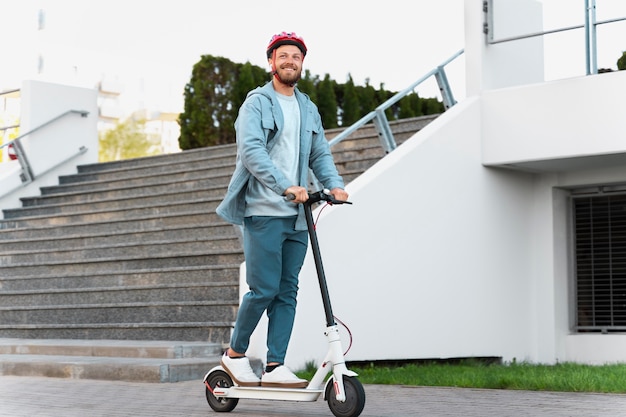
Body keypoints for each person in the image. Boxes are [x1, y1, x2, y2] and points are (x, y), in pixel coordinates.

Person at [215, 31, 348, 388]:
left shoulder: (308, 108)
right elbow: (252, 151)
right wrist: (284, 185)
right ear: (271, 62)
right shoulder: (256, 103)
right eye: (283, 56)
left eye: (297, 57)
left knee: (288, 290)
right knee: (263, 288)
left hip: (298, 217)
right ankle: (234, 356)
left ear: (302, 64)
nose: (290, 61)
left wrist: (334, 184)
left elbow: (320, 153)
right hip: (264, 210)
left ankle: (275, 365)